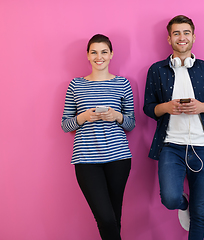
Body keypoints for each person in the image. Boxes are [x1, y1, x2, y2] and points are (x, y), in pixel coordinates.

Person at [143, 15, 204, 240]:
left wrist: (202, 106)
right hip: (170, 146)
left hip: (202, 147)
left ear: (193, 37)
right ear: (169, 38)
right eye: (176, 33)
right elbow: (148, 109)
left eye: (186, 33)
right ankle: (183, 202)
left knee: (200, 214)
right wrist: (166, 107)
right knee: (170, 198)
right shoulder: (156, 70)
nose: (182, 37)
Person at [61, 34, 135, 240]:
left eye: (103, 52)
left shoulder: (122, 84)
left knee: (114, 216)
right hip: (86, 160)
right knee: (106, 218)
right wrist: (83, 117)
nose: (99, 57)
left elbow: (131, 123)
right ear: (87, 55)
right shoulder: (76, 85)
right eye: (94, 52)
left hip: (119, 158)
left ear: (111, 55)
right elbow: (65, 125)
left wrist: (117, 116)